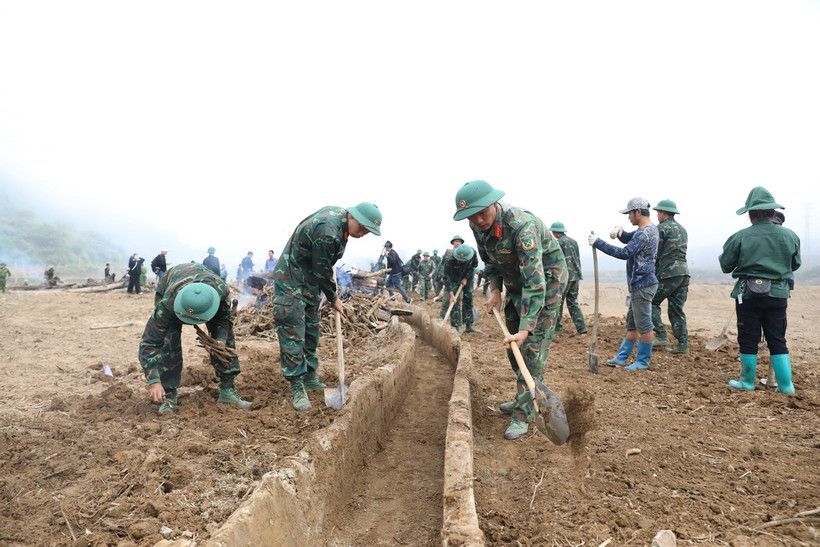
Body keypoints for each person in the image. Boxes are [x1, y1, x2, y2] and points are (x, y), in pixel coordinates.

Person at [454, 180, 567, 440]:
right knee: (512, 346)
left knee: (531, 349)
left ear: (494, 203)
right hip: (515, 283)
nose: (478, 220)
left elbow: (536, 282)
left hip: (546, 286)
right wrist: (495, 290)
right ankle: (523, 397)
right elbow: (489, 262)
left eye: (482, 212)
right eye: (472, 216)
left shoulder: (521, 226)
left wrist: (527, 329)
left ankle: (524, 414)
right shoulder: (477, 225)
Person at [273, 202, 383, 411]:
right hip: (291, 281)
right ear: (352, 217)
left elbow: (323, 264)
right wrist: (333, 298)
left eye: (367, 232)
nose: (362, 234)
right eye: (362, 228)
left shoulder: (341, 223)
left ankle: (309, 376)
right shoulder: (328, 232)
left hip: (309, 281)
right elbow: (322, 270)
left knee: (311, 330)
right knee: (293, 333)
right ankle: (297, 385)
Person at [138, 262, 252, 414]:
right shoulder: (167, 304)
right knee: (168, 341)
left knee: (224, 341)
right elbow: (150, 342)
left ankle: (227, 390)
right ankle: (168, 395)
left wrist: (220, 341)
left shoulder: (221, 292)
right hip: (172, 283)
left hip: (207, 294)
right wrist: (154, 381)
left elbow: (224, 320)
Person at [719, 187, 800, 395]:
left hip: (748, 295)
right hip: (778, 294)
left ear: (750, 214)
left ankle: (746, 382)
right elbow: (795, 264)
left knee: (748, 337)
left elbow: (726, 265)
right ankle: (786, 386)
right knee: (777, 338)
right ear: (772, 213)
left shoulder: (740, 237)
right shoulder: (790, 236)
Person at [589, 197, 659, 371]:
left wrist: (598, 243)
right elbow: (630, 238)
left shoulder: (644, 234)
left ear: (638, 212)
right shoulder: (648, 230)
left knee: (644, 325)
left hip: (642, 285)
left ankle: (643, 362)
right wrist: (621, 233)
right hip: (639, 285)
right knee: (632, 325)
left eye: (629, 214)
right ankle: (621, 358)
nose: (628, 217)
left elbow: (625, 253)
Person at [650, 200, 690, 354]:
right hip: (683, 272)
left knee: (651, 302)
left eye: (658, 212)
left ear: (663, 213)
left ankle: (661, 335)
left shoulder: (661, 228)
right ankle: (683, 345)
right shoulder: (683, 229)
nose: (657, 215)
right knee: (676, 309)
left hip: (668, 273)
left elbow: (655, 253)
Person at [550, 222, 588, 335]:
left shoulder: (558, 243)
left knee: (558, 302)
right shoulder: (573, 242)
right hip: (576, 276)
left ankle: (557, 328)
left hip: (564, 277)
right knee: (573, 302)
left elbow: (555, 261)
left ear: (555, 232)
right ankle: (582, 327)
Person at [442, 244, 482, 334]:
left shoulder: (473, 253)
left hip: (468, 276)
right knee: (455, 301)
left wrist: (466, 277)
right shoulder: (449, 258)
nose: (462, 261)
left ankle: (469, 325)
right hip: (454, 277)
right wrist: (451, 294)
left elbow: (473, 266)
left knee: (468, 299)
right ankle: (457, 326)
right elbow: (446, 277)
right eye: (460, 260)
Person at [436, 235, 463, 309]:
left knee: (457, 299)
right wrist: (442, 276)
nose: (458, 243)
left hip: (459, 279)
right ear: (453, 242)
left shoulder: (464, 253)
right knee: (446, 299)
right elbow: (443, 265)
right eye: (456, 241)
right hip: (449, 278)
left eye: (459, 241)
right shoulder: (448, 252)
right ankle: (443, 314)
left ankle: (455, 315)